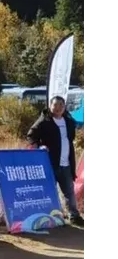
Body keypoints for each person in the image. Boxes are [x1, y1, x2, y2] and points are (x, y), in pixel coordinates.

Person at [26, 96, 84, 226]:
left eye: (61, 105)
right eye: (55, 105)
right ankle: (46, 216)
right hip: (50, 163)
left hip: (66, 163)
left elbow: (70, 138)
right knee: (48, 190)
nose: (58, 108)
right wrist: (39, 146)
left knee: (69, 192)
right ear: (50, 106)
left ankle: (74, 216)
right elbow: (31, 135)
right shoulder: (44, 121)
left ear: (64, 107)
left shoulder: (69, 121)